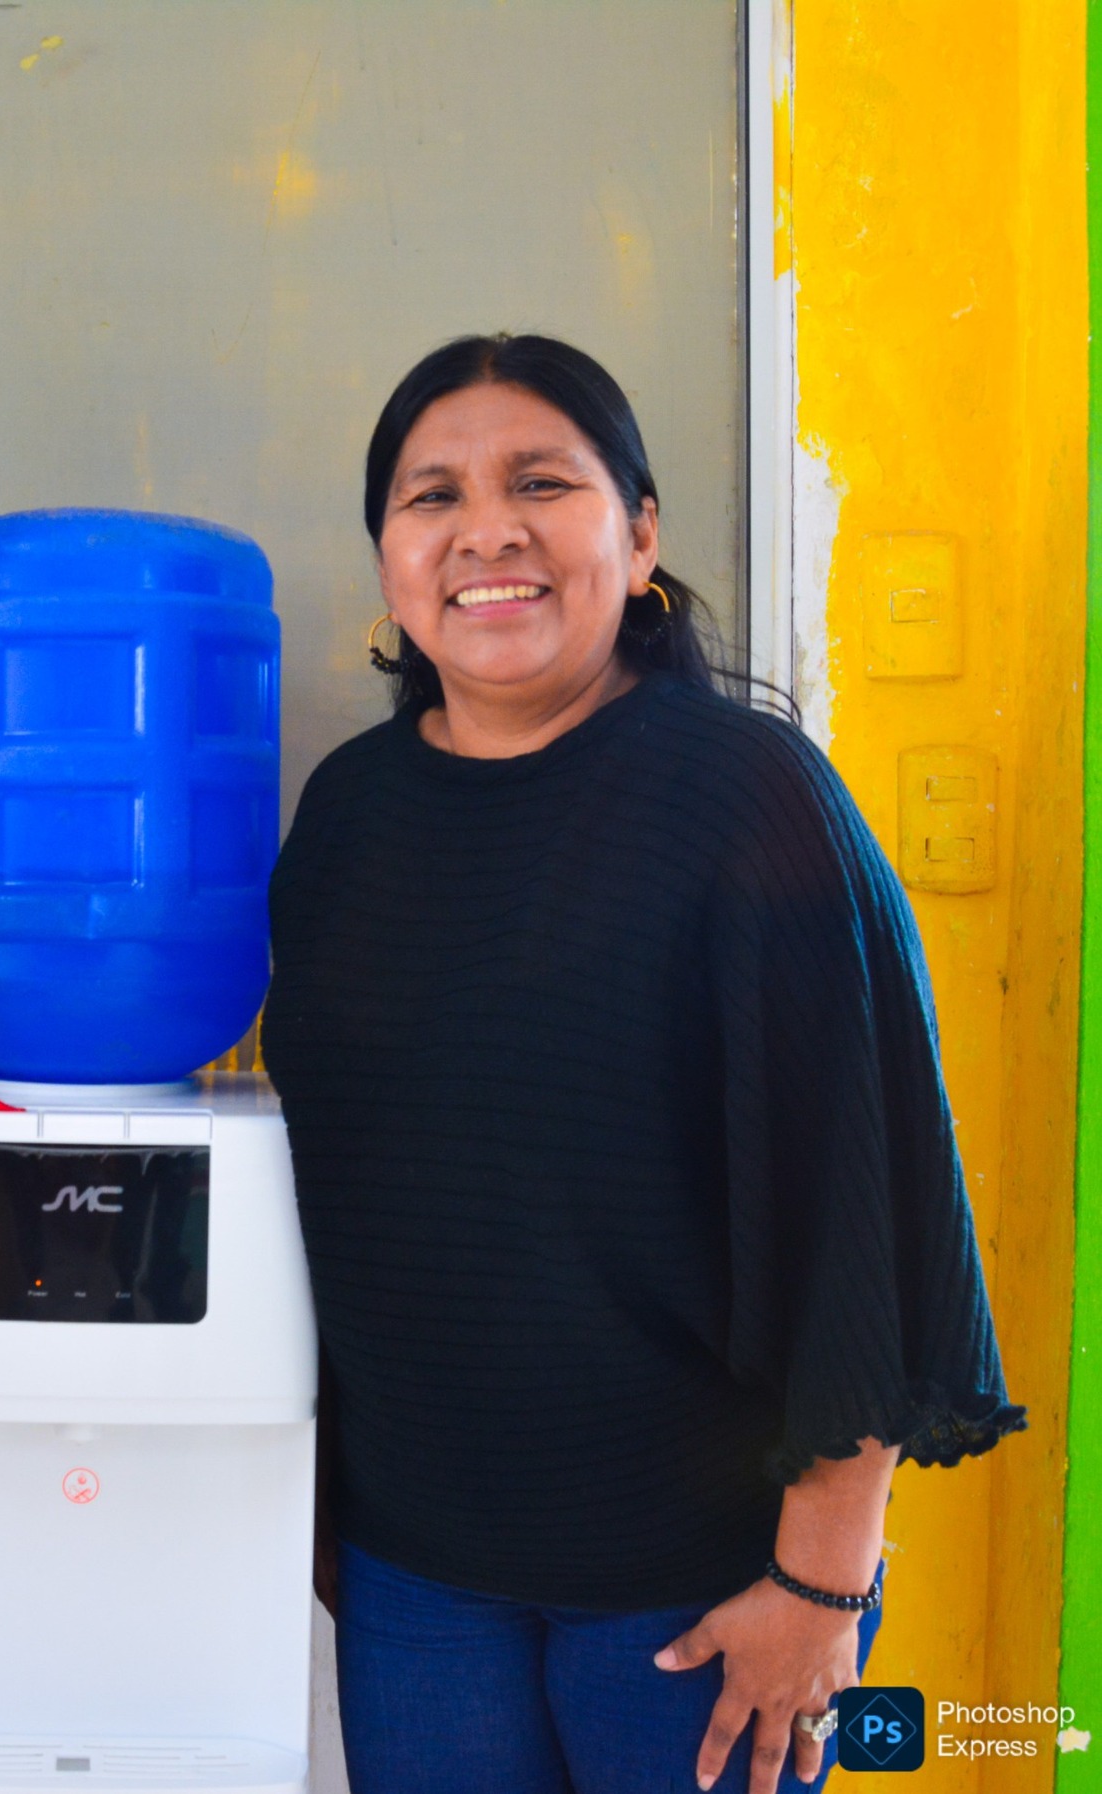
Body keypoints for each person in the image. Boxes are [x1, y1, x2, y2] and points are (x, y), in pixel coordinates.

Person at [261, 334, 1022, 1794]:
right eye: (433, 496)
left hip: (703, 1587)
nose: (487, 530)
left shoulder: (749, 800)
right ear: (389, 557)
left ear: (642, 533)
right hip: (418, 1575)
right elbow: (343, 1192)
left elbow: (862, 1213)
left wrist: (823, 1582)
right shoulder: (348, 818)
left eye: (542, 483)